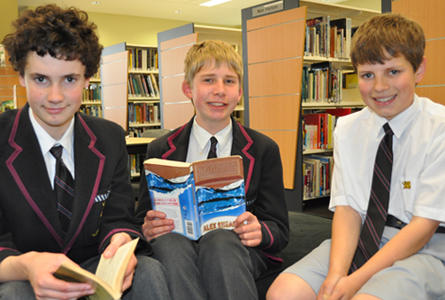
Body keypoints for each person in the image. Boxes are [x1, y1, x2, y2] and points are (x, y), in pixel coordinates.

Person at [267, 13, 445, 300]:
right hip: (363, 235)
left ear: (419, 69)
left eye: (393, 72)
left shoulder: (439, 128)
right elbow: (348, 210)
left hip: (428, 244)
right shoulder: (348, 128)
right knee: (283, 293)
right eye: (367, 75)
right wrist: (337, 275)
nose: (379, 87)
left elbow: (423, 226)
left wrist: (354, 282)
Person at [0, 4, 171, 300]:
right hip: (21, 272)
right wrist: (24, 266)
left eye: (69, 79)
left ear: (88, 79)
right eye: (41, 79)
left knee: (148, 272)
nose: (55, 97)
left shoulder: (109, 137)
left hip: (94, 264)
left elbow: (119, 218)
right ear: (21, 77)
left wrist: (121, 243)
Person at [135, 40, 289, 300]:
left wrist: (260, 230)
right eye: (208, 80)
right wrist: (147, 228)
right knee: (169, 244)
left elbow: (279, 228)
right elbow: (141, 218)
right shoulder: (160, 149)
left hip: (234, 249)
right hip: (178, 243)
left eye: (229, 81)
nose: (220, 91)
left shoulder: (263, 149)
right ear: (188, 88)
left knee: (219, 241)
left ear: (240, 91)